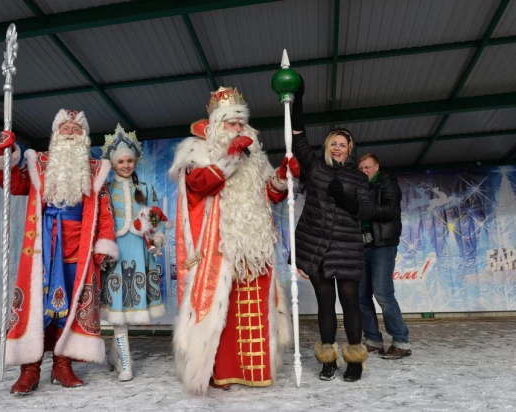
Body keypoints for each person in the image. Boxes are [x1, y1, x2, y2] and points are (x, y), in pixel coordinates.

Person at [169, 86, 294, 394]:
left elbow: (271, 194)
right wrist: (230, 157)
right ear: (215, 124)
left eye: (241, 123)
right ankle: (220, 372)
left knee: (256, 310)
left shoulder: (256, 156)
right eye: (231, 123)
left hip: (257, 247)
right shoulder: (197, 151)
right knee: (221, 312)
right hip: (220, 248)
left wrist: (281, 177)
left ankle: (256, 371)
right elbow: (198, 185)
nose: (238, 128)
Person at [0, 109, 118, 394]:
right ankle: (29, 370)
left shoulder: (96, 169)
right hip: (42, 248)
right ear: (55, 133)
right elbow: (15, 184)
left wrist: (104, 243)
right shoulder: (39, 162)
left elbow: (106, 211)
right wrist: (5, 153)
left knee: (70, 308)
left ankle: (62, 366)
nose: (70, 132)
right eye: (65, 127)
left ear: (83, 135)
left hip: (79, 250)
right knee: (36, 306)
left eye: (76, 128)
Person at [291, 78, 375, 382]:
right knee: (325, 302)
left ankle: (354, 359)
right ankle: (328, 359)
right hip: (316, 247)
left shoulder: (358, 178)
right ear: (327, 147)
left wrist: (344, 197)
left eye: (343, 144)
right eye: (333, 143)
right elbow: (298, 139)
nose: (337, 148)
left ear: (349, 150)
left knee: (350, 301)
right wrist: (297, 100)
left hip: (348, 247)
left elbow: (366, 211)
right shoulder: (315, 168)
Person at [100, 124, 167, 381]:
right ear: (112, 163)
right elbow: (98, 222)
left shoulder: (147, 188)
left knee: (131, 305)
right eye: (121, 161)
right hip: (115, 254)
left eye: (130, 160)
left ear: (136, 160)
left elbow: (157, 219)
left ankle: (116, 353)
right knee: (117, 307)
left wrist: (156, 238)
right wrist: (102, 251)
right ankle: (124, 361)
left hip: (139, 252)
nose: (126, 165)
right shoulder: (104, 190)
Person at [358, 153, 411, 359]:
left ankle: (401, 341)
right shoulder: (360, 187)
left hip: (382, 245)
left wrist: (364, 210)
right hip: (361, 245)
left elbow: (390, 210)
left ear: (377, 166)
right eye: (361, 168)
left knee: (383, 293)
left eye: (368, 167)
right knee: (361, 296)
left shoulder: (388, 183)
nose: (364, 171)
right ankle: (373, 339)